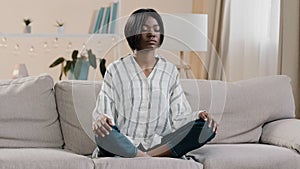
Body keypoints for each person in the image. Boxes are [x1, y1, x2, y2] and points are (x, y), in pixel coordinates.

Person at [92, 8, 217, 158]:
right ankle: (141, 155)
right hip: (124, 140)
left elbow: (179, 117)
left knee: (206, 127)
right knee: (102, 134)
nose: (152, 33)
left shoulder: (170, 70)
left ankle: (143, 156)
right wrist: (102, 119)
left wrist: (198, 115)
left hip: (161, 144)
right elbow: (104, 109)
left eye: (156, 29)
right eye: (145, 29)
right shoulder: (116, 69)